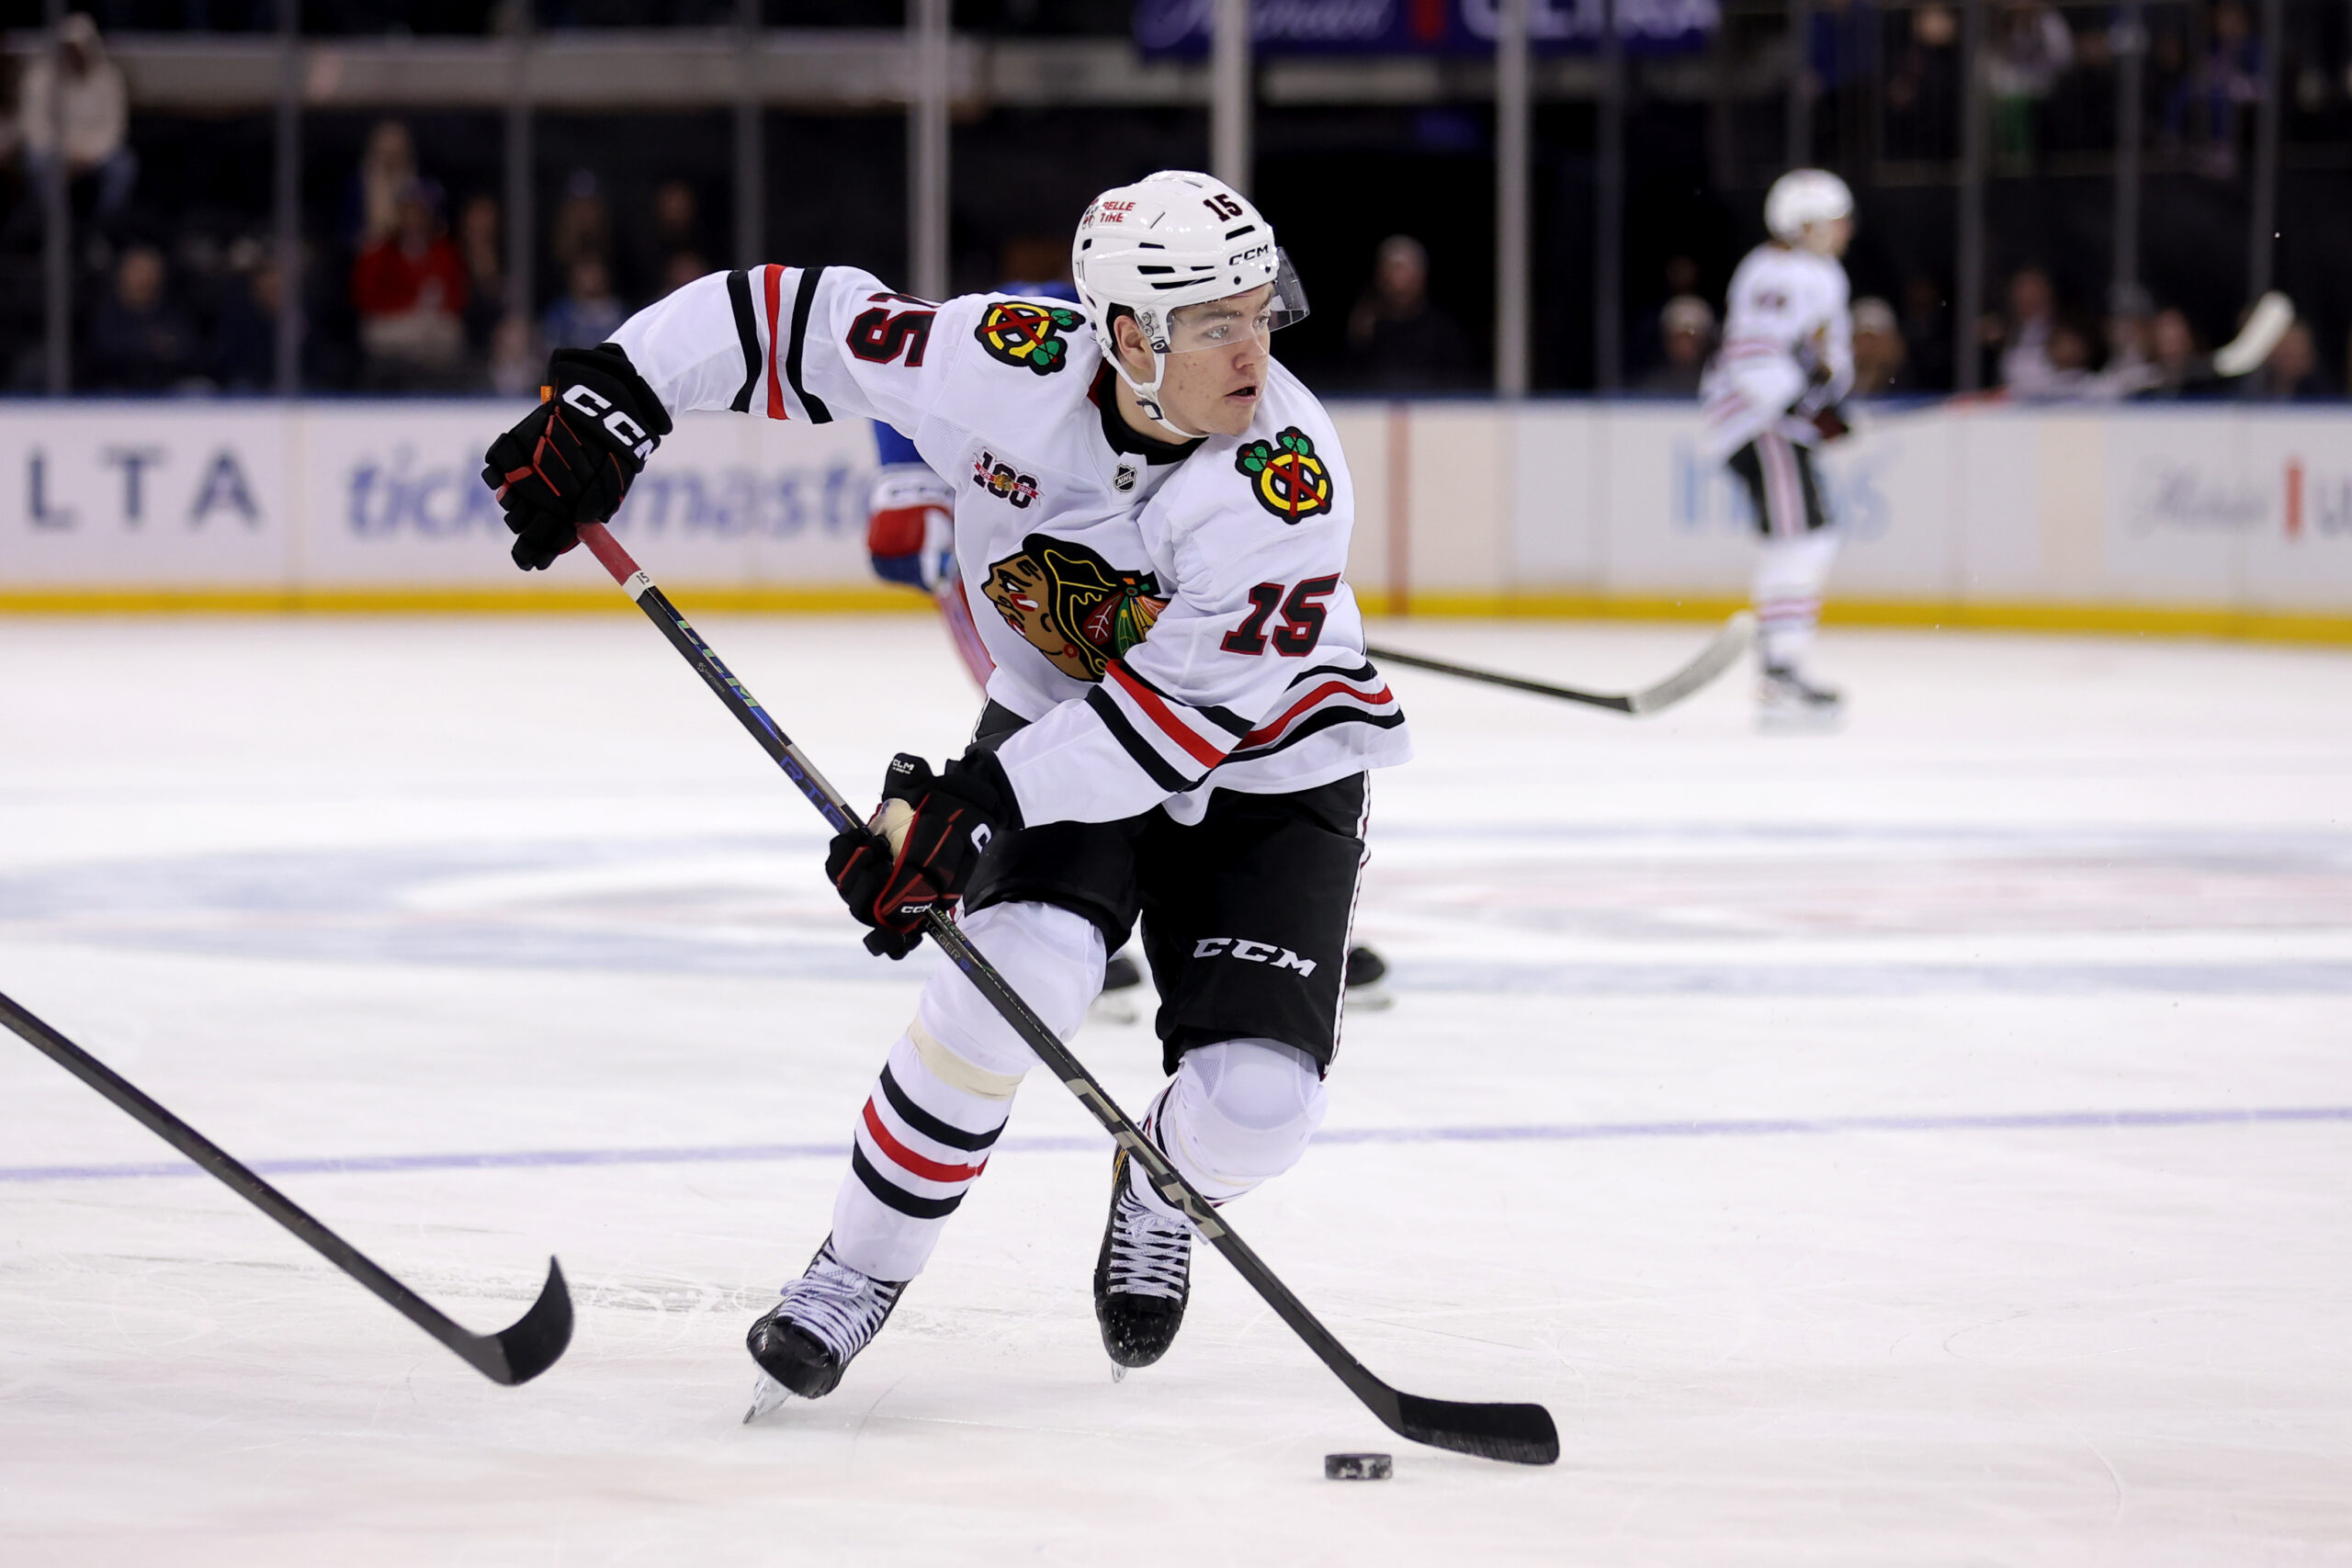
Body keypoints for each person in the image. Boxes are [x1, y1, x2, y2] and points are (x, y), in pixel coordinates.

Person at [481, 170, 1410, 1408]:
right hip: (1068, 717)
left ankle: (1163, 1176)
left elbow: (1171, 724)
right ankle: (852, 1274)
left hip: (1276, 757)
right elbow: (795, 320)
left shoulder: (1284, 480)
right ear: (1125, 334)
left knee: (1259, 1108)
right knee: (1002, 989)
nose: (1257, 349)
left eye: (1261, 309)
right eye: (1216, 323)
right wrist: (624, 394)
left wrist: (972, 804)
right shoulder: (1005, 364)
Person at [858, 279, 1393, 1018]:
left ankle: (1264, 925)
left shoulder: (1135, 310)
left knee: (1197, 713)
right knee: (1052, 707)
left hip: (1111, 586)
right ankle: (1058, 908)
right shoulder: (1012, 326)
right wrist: (905, 486)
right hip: (1022, 568)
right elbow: (890, 377)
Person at [1699, 167, 1856, 727]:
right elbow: (1753, 357)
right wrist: (1806, 409)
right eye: (1835, 220)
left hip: (1772, 424)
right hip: (1762, 426)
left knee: (1800, 540)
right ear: (1804, 224)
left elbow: (1809, 359)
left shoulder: (1811, 271)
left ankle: (1780, 665)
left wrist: (1824, 405)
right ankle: (1781, 668)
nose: (1845, 229)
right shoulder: (1781, 272)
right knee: (1804, 539)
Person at [351, 178, 469, 389]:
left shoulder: (444, 251)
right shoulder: (381, 251)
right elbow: (365, 297)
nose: (413, 219)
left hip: (431, 325)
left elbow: (457, 296)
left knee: (448, 332)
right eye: (407, 212)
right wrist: (406, 308)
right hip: (393, 323)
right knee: (382, 332)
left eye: (419, 213)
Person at [17, 13, 133, 221]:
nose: (72, 55)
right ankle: (49, 223)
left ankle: (105, 225)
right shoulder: (41, 77)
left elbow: (114, 128)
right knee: (35, 162)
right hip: (54, 151)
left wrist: (86, 155)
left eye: (76, 48)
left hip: (94, 154)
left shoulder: (109, 79)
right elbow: (34, 124)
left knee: (122, 166)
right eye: (67, 48)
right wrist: (63, 153)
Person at [1345, 234, 1470, 390]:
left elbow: (1458, 387)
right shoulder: (1365, 329)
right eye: (1392, 272)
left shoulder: (1443, 331)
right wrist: (1359, 337)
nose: (1399, 282)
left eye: (1405, 271)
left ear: (1421, 276)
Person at [85, 242, 198, 390]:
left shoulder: (173, 309)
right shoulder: (103, 311)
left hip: (167, 388)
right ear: (123, 273)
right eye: (139, 270)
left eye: (152, 271)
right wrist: (149, 346)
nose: (146, 278)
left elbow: (188, 348)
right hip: (113, 389)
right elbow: (102, 350)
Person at [1635, 296, 1715, 396]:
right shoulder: (1653, 386)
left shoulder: (1719, 383)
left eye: (1692, 338)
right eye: (1678, 338)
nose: (1685, 345)